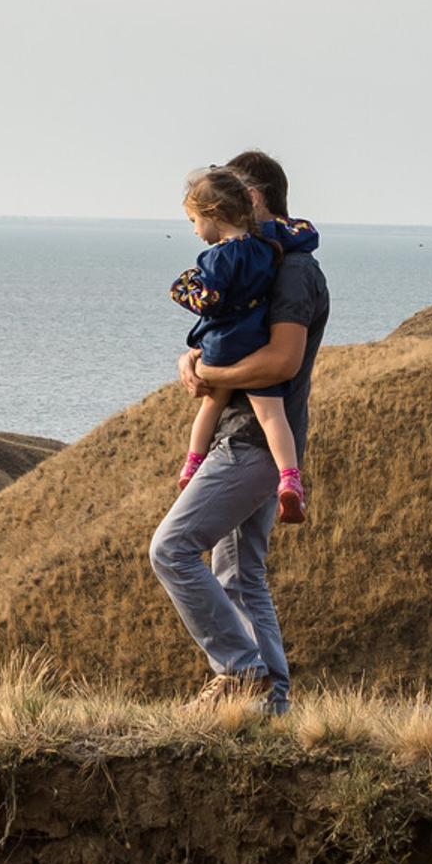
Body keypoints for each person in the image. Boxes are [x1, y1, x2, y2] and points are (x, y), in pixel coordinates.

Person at [148, 149, 330, 715]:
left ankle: (238, 670)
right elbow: (230, 325)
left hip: (253, 442)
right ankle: (271, 708)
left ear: (251, 198)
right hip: (246, 437)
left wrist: (209, 371)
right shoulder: (264, 259)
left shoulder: (293, 269)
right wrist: (194, 355)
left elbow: (280, 362)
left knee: (171, 549)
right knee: (240, 574)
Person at [168, 162, 318, 522]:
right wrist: (189, 359)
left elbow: (209, 299)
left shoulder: (217, 256)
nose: (195, 230)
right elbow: (298, 233)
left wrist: (182, 289)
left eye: (194, 221)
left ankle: (192, 464)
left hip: (225, 347)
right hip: (254, 336)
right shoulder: (269, 248)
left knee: (172, 549)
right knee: (272, 416)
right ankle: (290, 478)